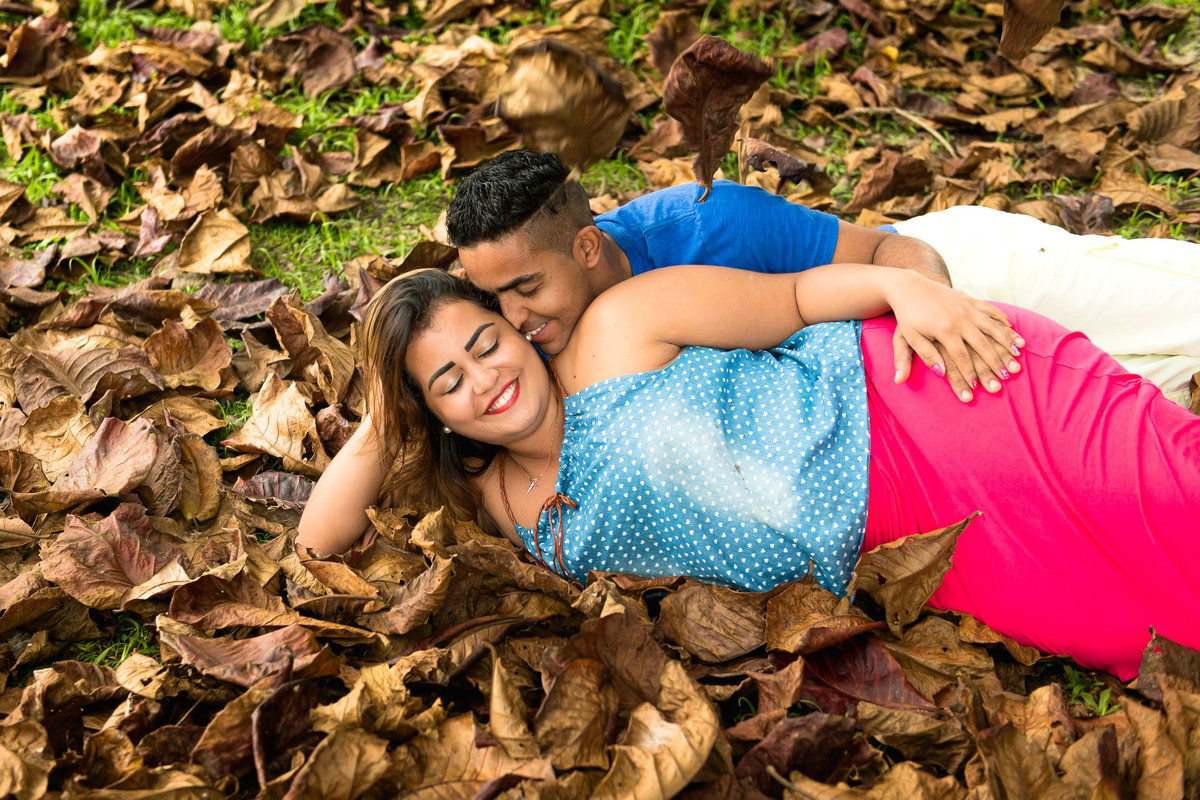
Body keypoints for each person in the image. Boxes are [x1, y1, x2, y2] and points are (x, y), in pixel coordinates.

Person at [299, 266, 1200, 680]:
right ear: (433, 414)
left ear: (514, 329)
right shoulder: (502, 509)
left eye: (484, 343)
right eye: (448, 380)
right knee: (1154, 632)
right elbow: (318, 541)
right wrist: (392, 405)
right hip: (914, 553)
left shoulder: (619, 329)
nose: (486, 379)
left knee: (1176, 493)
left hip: (918, 407)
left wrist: (905, 291)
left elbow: (798, 298)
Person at [446, 149, 1200, 406]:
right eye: (494, 298)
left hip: (960, 275)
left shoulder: (704, 223)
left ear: (584, 249)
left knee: (1181, 308)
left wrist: (933, 305)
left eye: (525, 289)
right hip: (905, 378)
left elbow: (883, 251)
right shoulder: (528, 348)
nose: (511, 319)